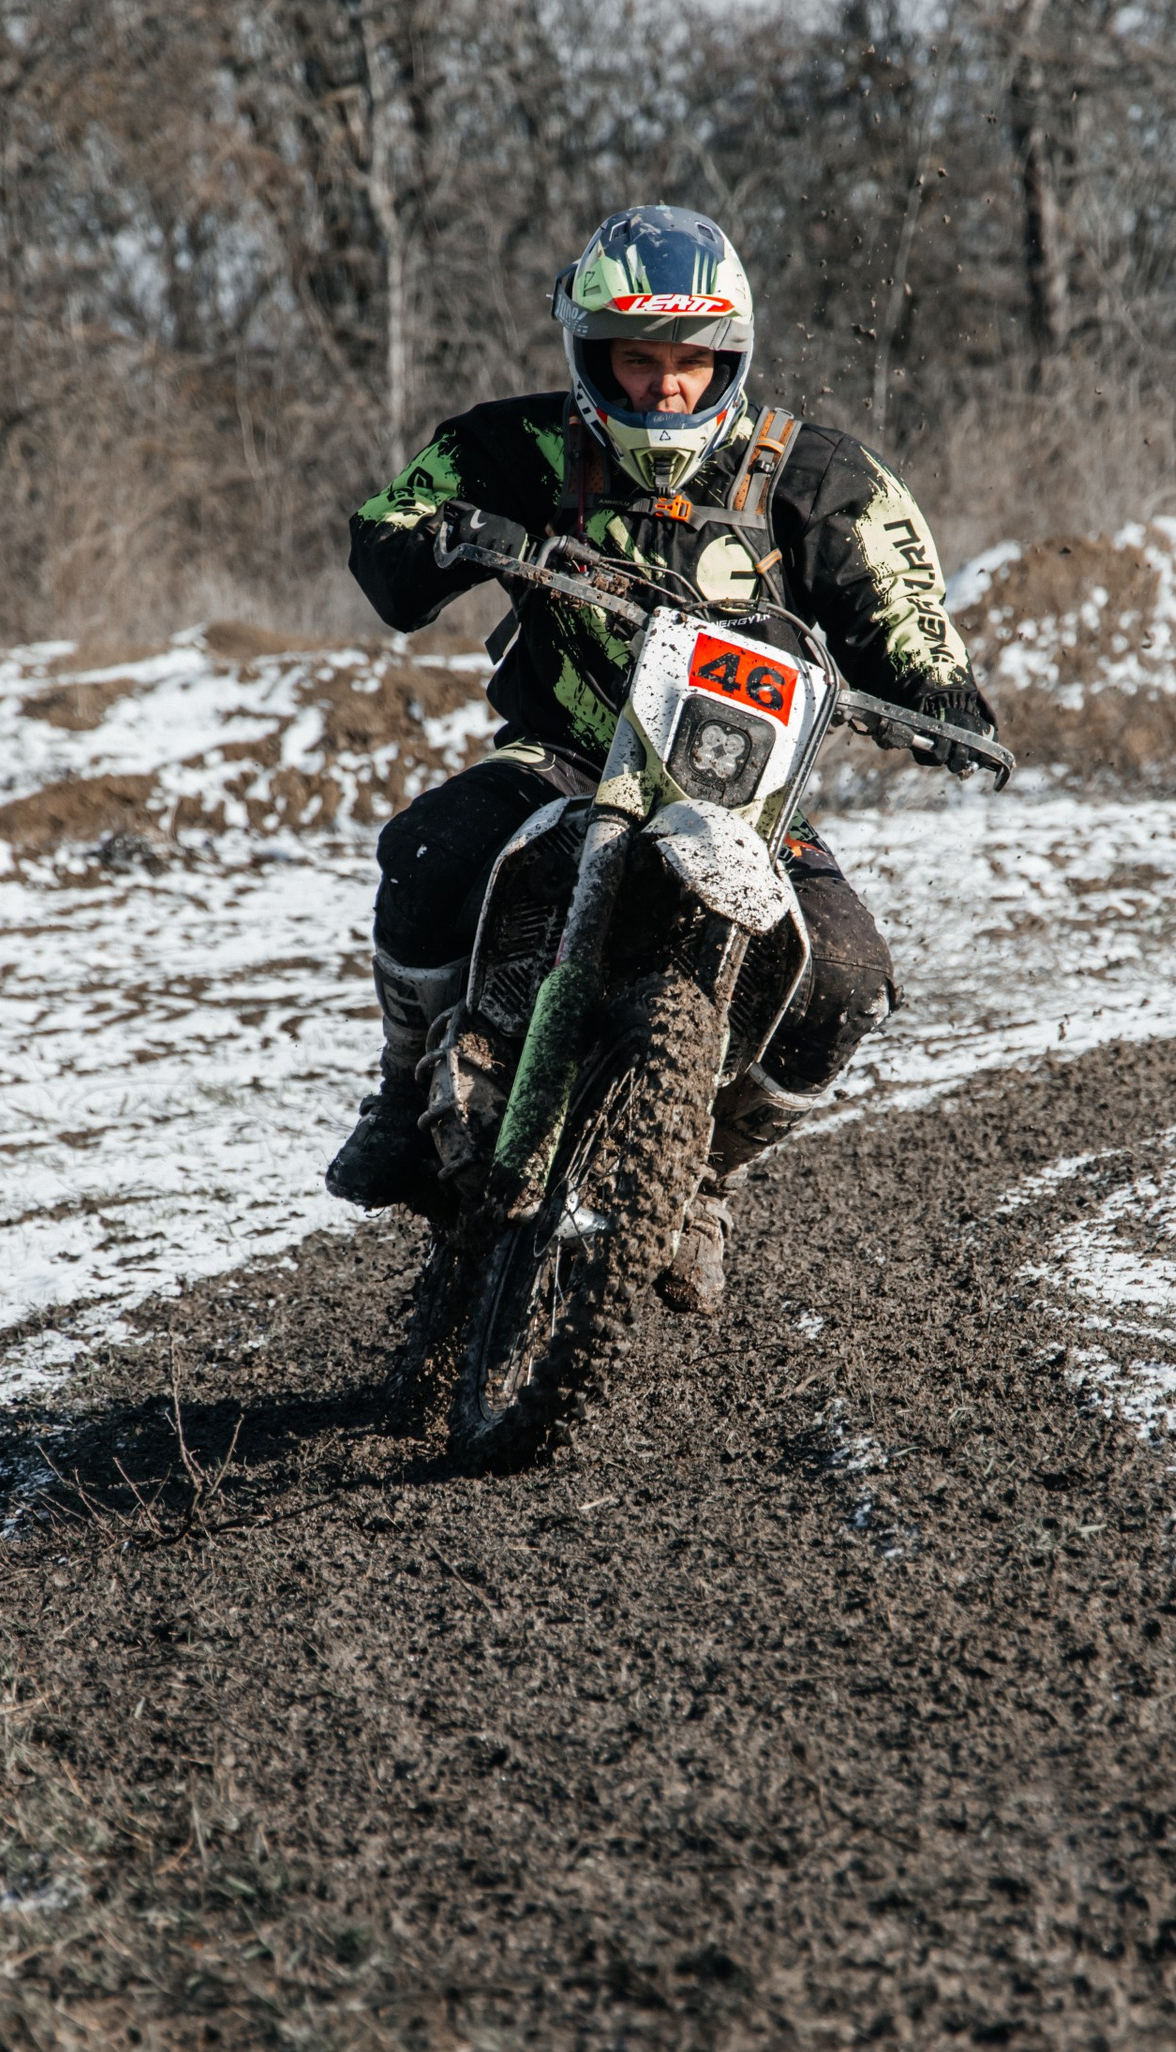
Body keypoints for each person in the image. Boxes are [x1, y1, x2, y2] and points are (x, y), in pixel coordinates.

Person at [325, 205, 997, 1312]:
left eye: (689, 362)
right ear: (594, 356)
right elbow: (390, 540)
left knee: (846, 980)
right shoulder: (517, 445)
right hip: (566, 757)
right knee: (428, 849)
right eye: (639, 361)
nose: (664, 389)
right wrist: (444, 535)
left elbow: (906, 613)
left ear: (726, 357)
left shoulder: (815, 472)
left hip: (746, 802)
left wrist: (938, 695)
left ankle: (703, 1178)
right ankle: (405, 1089)